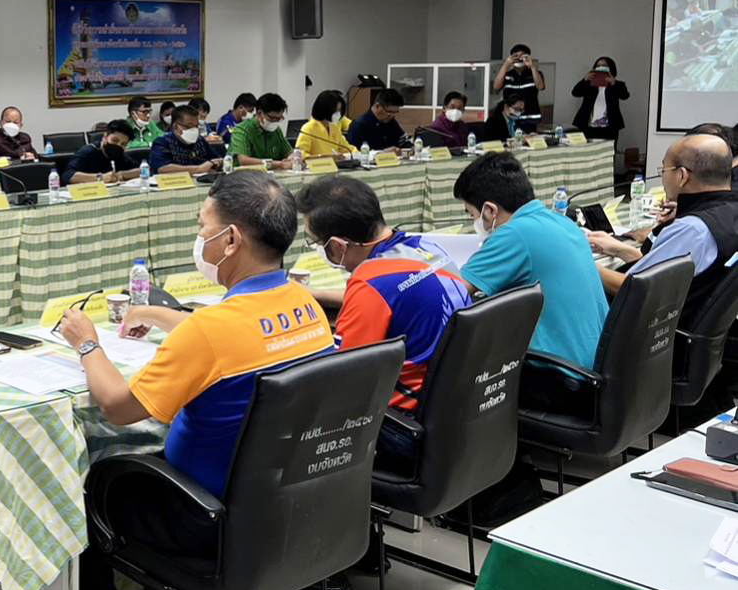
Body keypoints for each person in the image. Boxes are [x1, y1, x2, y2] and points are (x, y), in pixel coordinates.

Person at [57, 172, 334, 590]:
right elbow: (232, 333)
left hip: (202, 514)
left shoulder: (212, 331)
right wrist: (155, 313)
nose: (198, 237)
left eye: (203, 226)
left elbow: (118, 407)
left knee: (84, 488)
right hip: (290, 498)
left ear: (231, 240)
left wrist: (87, 343)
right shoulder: (305, 306)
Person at [300, 176, 472, 416]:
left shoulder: (371, 283)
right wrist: (317, 295)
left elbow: (344, 375)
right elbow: (398, 295)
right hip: (456, 399)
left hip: (401, 416)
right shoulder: (427, 248)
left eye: (316, 242)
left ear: (338, 245)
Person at [456, 153, 608, 368]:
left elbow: (452, 290)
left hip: (556, 373)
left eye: (472, 214)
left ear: (489, 210)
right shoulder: (560, 221)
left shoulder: (513, 234)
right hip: (595, 363)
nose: (475, 221)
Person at [587, 135, 738, 318]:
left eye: (664, 170)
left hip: (651, 327)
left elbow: (635, 289)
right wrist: (620, 249)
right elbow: (663, 271)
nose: (663, 178)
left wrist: (583, 262)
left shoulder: (693, 229)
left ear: (682, 176)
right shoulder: (728, 213)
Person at [148, 104, 222, 176]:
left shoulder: (200, 140)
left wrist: (219, 163)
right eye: (189, 126)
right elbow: (162, 169)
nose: (194, 130)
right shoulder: (162, 142)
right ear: (175, 126)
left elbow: (216, 159)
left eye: (196, 126)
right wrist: (199, 168)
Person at [63, 120, 141, 184]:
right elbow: (68, 176)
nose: (118, 145)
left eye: (123, 144)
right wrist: (101, 177)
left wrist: (122, 174)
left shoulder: (120, 154)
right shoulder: (88, 151)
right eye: (114, 140)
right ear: (105, 137)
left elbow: (141, 170)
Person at [571, 56, 629, 143]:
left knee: (608, 150)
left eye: (604, 66)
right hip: (588, 126)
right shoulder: (589, 84)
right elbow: (575, 93)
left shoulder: (617, 84)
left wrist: (614, 83)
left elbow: (625, 96)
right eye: (598, 66)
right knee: (587, 149)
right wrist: (585, 80)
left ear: (611, 68)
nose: (601, 68)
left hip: (609, 128)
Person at [228, 92, 292, 169]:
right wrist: (279, 164)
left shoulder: (276, 130)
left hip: (270, 174)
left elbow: (289, 152)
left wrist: (292, 159)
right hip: (243, 175)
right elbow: (243, 161)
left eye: (278, 118)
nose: (275, 121)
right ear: (259, 113)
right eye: (272, 118)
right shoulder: (242, 130)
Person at [346, 88, 406, 153]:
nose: (392, 116)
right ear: (377, 106)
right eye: (389, 112)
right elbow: (353, 153)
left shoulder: (391, 122)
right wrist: (382, 152)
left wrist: (410, 148)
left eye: (395, 112)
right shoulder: (359, 125)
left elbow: (403, 141)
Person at [494, 43, 545, 119]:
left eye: (522, 56)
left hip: (530, 117)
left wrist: (532, 66)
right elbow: (496, 87)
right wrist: (506, 64)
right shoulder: (507, 75)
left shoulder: (535, 73)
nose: (519, 59)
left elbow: (540, 87)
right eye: (516, 56)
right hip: (511, 118)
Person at [296, 90, 352, 157]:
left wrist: (359, 153)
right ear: (325, 110)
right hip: (317, 164)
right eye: (335, 111)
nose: (338, 114)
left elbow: (346, 148)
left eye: (339, 110)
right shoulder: (308, 129)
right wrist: (324, 157)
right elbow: (300, 155)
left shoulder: (334, 128)